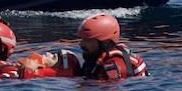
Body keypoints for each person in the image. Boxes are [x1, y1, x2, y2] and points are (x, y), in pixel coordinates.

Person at [13, 13, 148, 81]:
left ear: (104, 42)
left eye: (87, 40)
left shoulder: (113, 65)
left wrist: (32, 73)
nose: (81, 44)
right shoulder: (96, 58)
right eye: (82, 39)